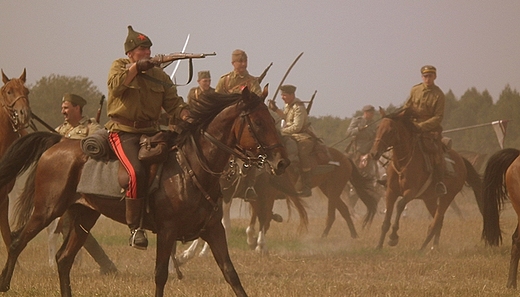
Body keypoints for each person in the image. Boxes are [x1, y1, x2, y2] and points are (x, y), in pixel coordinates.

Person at [106, 25, 190, 250]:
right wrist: (136, 68)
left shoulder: (159, 75)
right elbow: (115, 87)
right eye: (141, 49)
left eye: (148, 49)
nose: (147, 53)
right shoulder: (119, 66)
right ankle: (135, 229)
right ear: (130, 54)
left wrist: (186, 114)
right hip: (123, 132)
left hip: (151, 133)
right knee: (135, 172)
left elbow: (174, 104)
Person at [54, 93, 117, 275]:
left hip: (86, 186)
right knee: (71, 227)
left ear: (77, 108)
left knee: (77, 227)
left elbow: (98, 146)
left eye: (66, 107)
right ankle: (76, 264)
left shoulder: (92, 127)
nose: (63, 111)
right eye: (62, 108)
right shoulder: (60, 130)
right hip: (65, 187)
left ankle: (104, 265)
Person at [403, 65, 447, 195]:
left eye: (430, 76)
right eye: (425, 76)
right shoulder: (415, 90)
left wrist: (421, 126)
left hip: (430, 130)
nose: (428, 79)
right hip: (412, 126)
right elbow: (407, 106)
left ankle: (439, 182)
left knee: (435, 152)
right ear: (422, 77)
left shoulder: (439, 95)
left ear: (435, 77)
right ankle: (388, 176)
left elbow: (438, 117)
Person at [268, 85, 314, 197]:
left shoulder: (299, 107)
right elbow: (287, 118)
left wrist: (281, 132)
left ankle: (307, 185)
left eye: (284, 95)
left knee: (303, 154)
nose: (282, 97)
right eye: (281, 95)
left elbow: (297, 127)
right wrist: (276, 110)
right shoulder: (288, 105)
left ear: (292, 95)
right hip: (290, 136)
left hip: (302, 136)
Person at [345, 104, 378, 180]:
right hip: (359, 149)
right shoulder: (358, 120)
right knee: (358, 167)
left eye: (373, 113)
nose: (372, 115)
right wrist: (358, 129)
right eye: (371, 113)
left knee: (373, 168)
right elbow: (348, 132)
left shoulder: (373, 123)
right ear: (365, 112)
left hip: (370, 149)